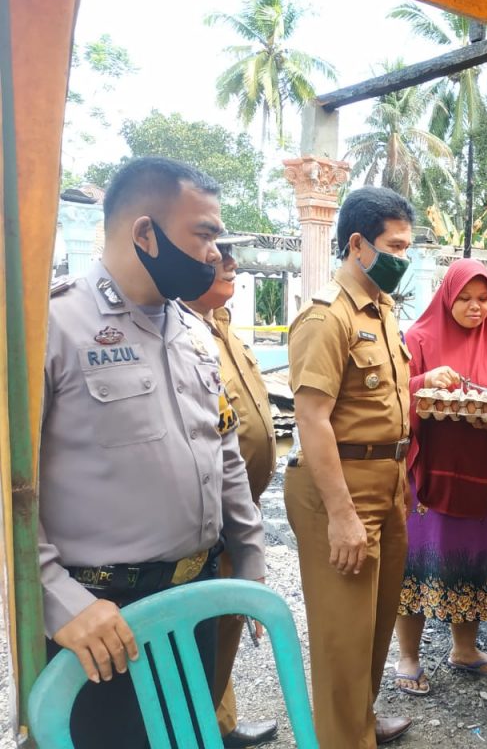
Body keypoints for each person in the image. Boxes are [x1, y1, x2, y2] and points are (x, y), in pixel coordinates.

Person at [39, 156, 266, 749]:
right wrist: (60, 602)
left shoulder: (192, 331)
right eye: (205, 235)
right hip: (102, 622)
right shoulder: (54, 328)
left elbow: (224, 451)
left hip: (193, 603)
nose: (216, 254)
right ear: (146, 233)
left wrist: (250, 555)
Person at [285, 186, 415, 748]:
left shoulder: (382, 311)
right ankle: (342, 737)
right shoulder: (326, 317)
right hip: (340, 488)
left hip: (387, 484)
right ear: (357, 244)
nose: (402, 259)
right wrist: (340, 514)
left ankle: (357, 719)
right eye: (395, 246)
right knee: (343, 634)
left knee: (375, 622)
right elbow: (311, 420)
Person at [394, 259, 487, 696]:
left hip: (481, 475)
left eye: (483, 299)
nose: (475, 307)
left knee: (467, 559)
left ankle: (464, 649)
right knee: (418, 561)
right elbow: (391, 395)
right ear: (447, 296)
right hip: (429, 473)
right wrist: (424, 381)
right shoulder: (419, 338)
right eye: (465, 298)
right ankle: (408, 655)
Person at [182, 235, 278, 748]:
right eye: (216, 257)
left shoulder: (221, 328)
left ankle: (219, 724)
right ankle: (202, 730)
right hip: (206, 518)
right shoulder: (181, 331)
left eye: (232, 259)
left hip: (241, 512)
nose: (230, 265)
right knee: (208, 631)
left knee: (227, 630)